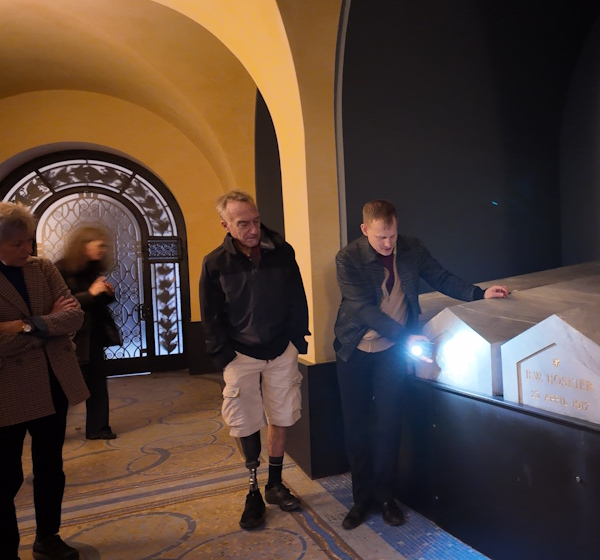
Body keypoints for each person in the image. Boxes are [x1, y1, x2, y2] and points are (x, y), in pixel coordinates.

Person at [334, 200, 508, 530]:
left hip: (392, 350)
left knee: (389, 423)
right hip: (354, 349)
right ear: (364, 230)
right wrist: (407, 338)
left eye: (393, 236)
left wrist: (478, 293)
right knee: (357, 426)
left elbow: (440, 277)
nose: (388, 244)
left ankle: (386, 498)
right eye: (381, 237)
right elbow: (361, 309)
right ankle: (361, 500)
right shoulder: (348, 258)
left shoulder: (412, 249)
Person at [0, 201, 89, 560]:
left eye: (29, 240)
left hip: (53, 382)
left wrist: (23, 325)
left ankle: (47, 538)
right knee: (4, 479)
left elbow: (74, 316)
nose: (27, 249)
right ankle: (4, 554)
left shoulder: (42, 268)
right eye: (16, 244)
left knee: (50, 468)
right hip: (0, 391)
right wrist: (44, 326)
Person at [199, 189, 310, 530]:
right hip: (240, 352)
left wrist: (296, 338)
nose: (252, 229)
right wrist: (223, 355)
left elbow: (297, 296)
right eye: (243, 223)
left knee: (282, 413)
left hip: (280, 349)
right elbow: (211, 314)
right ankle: (252, 491)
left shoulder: (282, 252)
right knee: (244, 421)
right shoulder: (215, 262)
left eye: (256, 221)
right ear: (226, 225)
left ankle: (274, 484)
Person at [55, 225, 121, 440]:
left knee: (97, 383)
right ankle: (53, 432)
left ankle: (99, 428)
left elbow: (98, 303)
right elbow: (63, 306)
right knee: (65, 387)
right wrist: (91, 293)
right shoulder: (61, 270)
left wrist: (106, 293)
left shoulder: (93, 268)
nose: (103, 250)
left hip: (93, 335)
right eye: (99, 245)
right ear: (84, 245)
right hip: (72, 337)